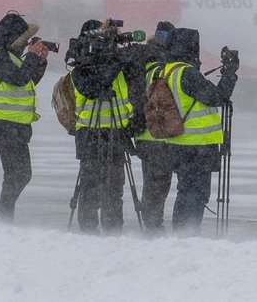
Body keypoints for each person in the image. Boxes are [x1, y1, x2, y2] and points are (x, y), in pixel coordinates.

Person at [137, 27, 238, 234]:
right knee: (195, 193)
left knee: (185, 190)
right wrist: (229, 73)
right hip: (197, 144)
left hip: (177, 143)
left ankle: (181, 233)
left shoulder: (166, 70)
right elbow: (216, 97)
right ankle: (187, 234)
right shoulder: (185, 72)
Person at [69, 19, 138, 234]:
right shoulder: (80, 68)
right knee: (90, 185)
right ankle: (88, 229)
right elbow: (97, 86)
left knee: (114, 186)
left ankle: (113, 229)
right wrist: (113, 59)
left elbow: (134, 78)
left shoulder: (115, 63)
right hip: (90, 133)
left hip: (116, 132)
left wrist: (121, 56)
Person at [0, 11, 49, 221]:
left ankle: (4, 214)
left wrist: (40, 62)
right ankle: (3, 215)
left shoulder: (10, 58)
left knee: (20, 175)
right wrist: (30, 56)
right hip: (4, 125)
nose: (25, 44)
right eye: (23, 39)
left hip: (15, 125)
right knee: (18, 175)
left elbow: (27, 82)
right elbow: (19, 78)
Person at [134, 21, 177, 235]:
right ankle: (153, 225)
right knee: (159, 184)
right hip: (159, 132)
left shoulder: (141, 59)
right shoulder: (163, 63)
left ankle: (151, 221)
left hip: (143, 132)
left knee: (151, 182)